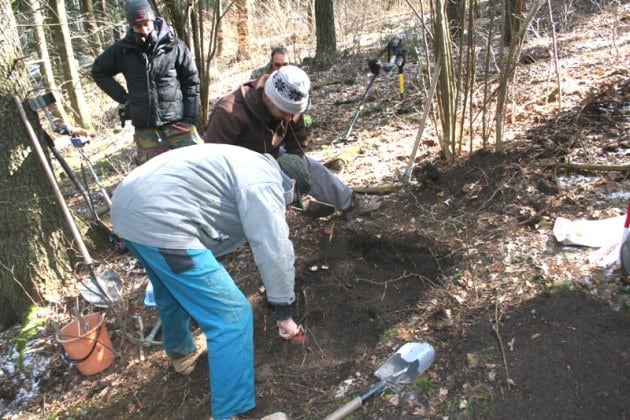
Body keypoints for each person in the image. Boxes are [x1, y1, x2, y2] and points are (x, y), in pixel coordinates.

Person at [110, 143, 309, 419]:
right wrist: (284, 311)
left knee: (170, 289)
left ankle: (181, 355)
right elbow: (274, 248)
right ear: (292, 183)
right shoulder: (265, 183)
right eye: (291, 202)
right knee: (232, 317)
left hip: (128, 210)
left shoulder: (249, 162)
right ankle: (232, 411)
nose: (286, 208)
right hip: (160, 218)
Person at [205, 65, 382, 218]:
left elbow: (297, 146)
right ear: (269, 98)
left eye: (294, 113)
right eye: (285, 112)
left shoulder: (290, 104)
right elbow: (214, 166)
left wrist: (293, 178)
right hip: (239, 172)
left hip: (272, 156)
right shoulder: (229, 112)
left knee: (311, 167)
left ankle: (350, 203)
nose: (290, 118)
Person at [91, 0, 202, 164]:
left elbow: (191, 81)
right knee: (154, 178)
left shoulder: (174, 46)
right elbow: (98, 71)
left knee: (199, 166)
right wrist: (124, 98)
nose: (144, 30)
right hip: (146, 129)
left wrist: (189, 118)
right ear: (130, 26)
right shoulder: (122, 50)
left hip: (179, 123)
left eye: (146, 24)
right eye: (138, 26)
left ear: (152, 19)